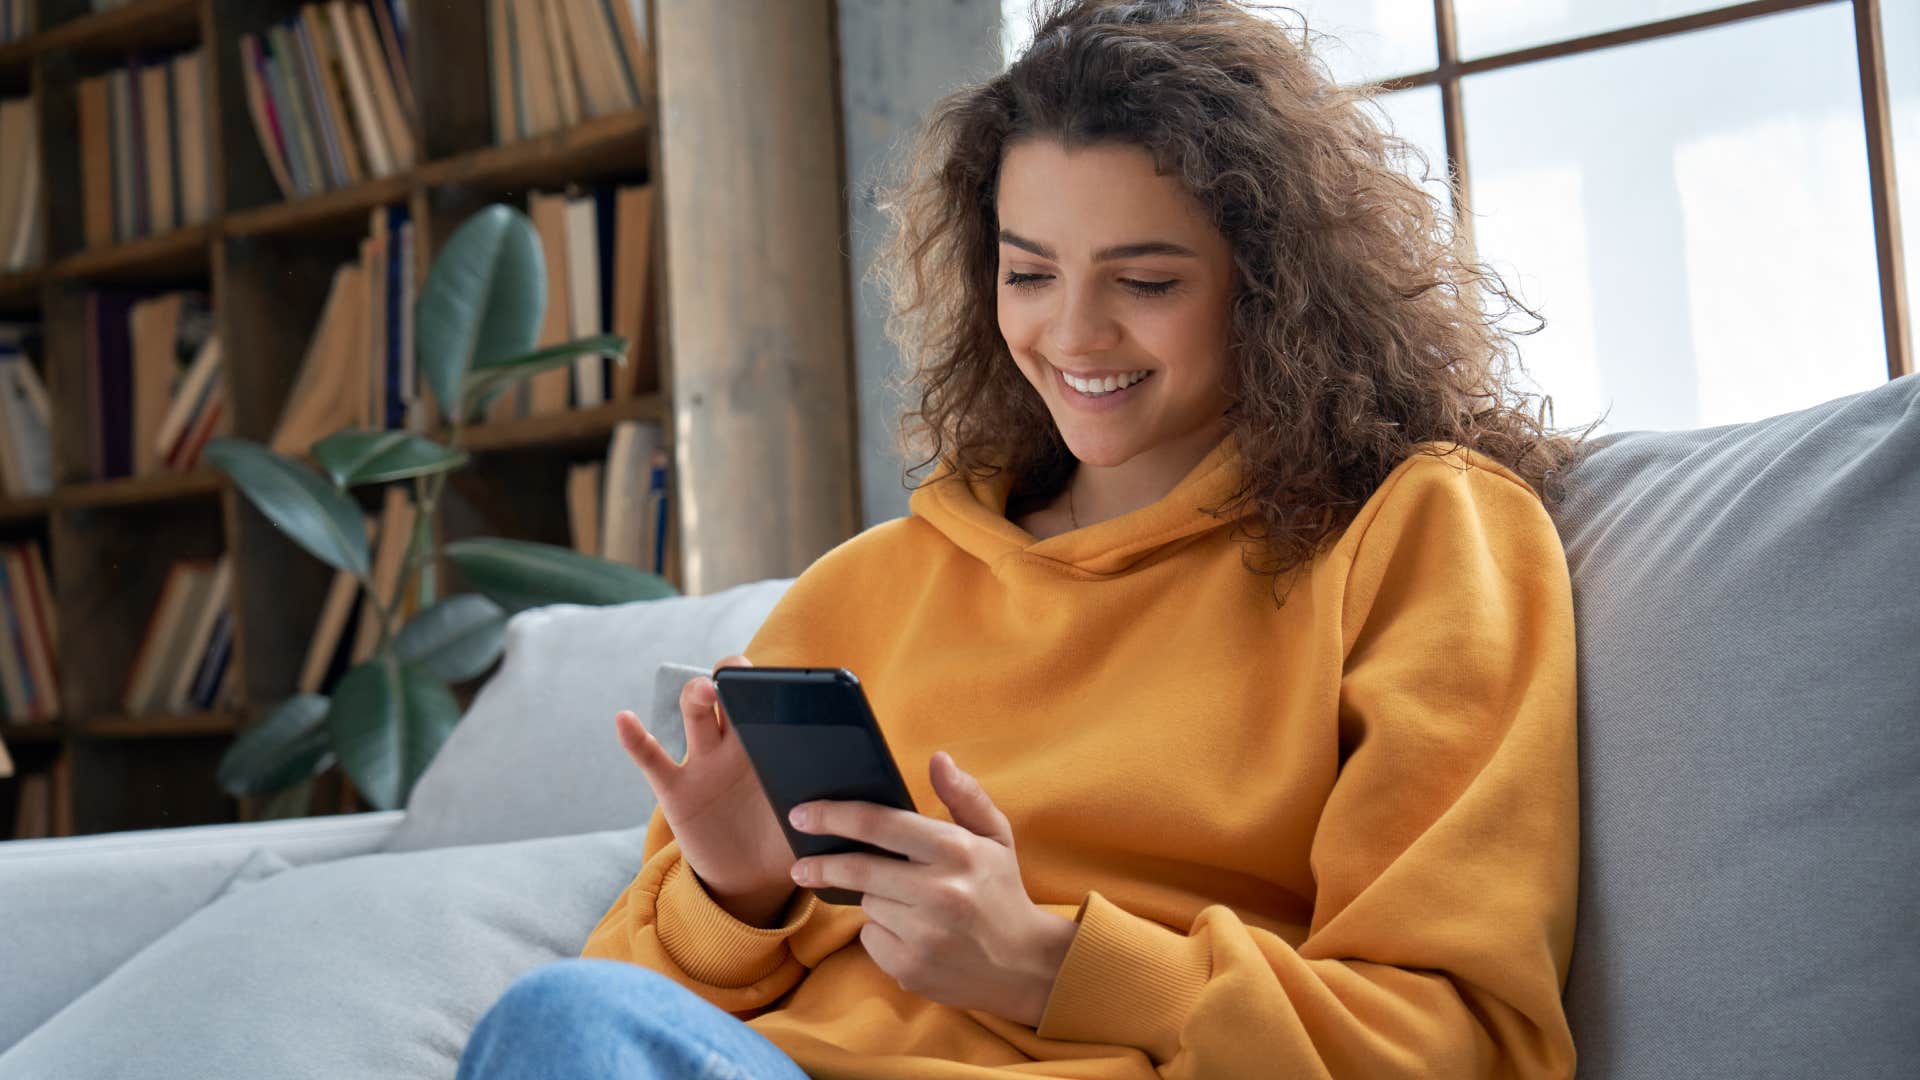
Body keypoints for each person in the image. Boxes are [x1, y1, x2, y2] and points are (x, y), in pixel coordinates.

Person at [456, 0, 1598, 1076]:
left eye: (1145, 279)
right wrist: (739, 895)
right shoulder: (870, 586)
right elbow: (607, 1024)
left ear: (1272, 287)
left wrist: (1050, 963)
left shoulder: (1419, 534)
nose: (1073, 334)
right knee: (557, 1017)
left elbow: (1462, 1041)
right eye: (1030, 272)